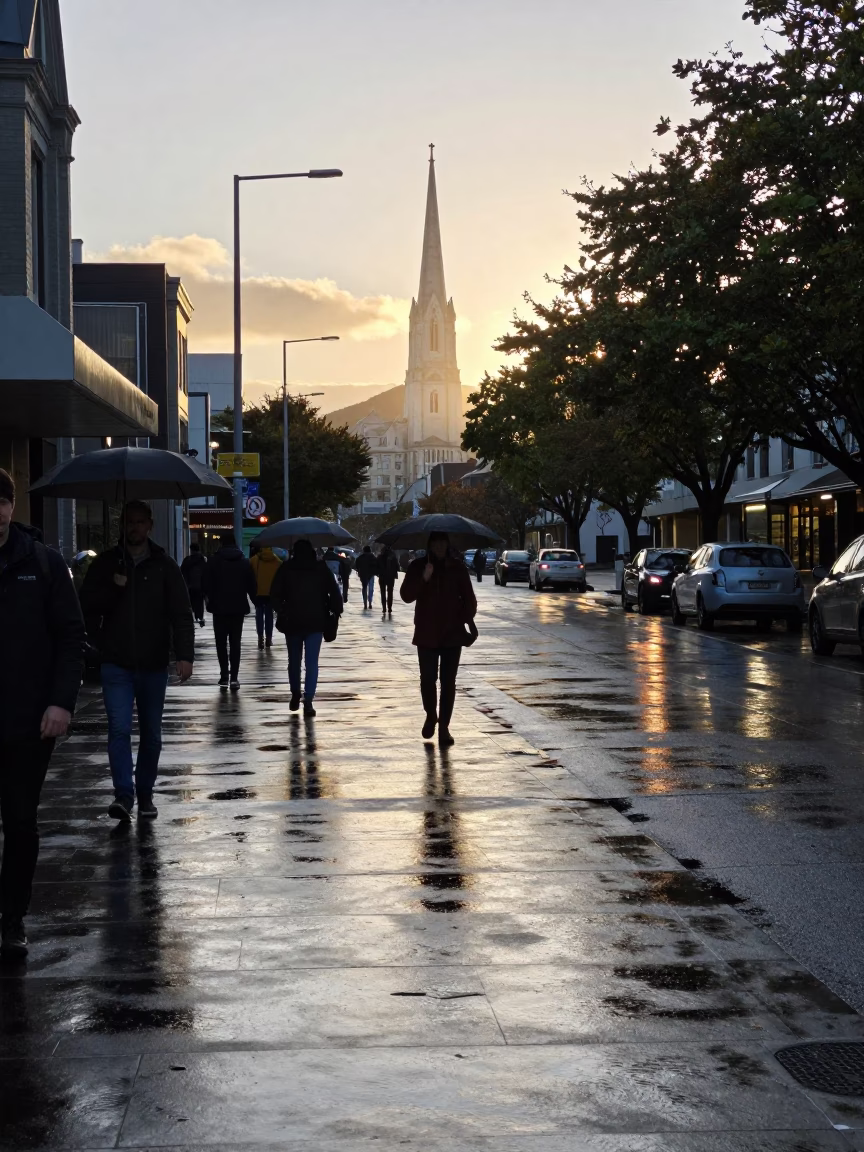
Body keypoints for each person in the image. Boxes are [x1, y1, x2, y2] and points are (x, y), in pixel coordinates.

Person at [0, 469, 85, 957]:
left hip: (30, 720)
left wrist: (61, 702)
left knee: (20, 822)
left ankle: (13, 919)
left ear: (12, 507)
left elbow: (70, 638)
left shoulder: (44, 564)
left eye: (1, 502)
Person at [80, 500, 194, 822]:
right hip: (116, 663)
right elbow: (86, 606)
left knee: (151, 733)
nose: (135, 527)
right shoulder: (106, 564)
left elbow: (181, 613)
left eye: (140, 522)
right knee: (118, 729)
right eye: (129, 522)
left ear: (150, 525)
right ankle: (123, 795)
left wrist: (184, 655)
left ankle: (145, 794)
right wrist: (114, 591)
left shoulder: (163, 565)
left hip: (154, 664)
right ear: (123, 526)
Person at [400, 532, 477, 747]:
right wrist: (424, 578)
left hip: (452, 634)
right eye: (436, 543)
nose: (440, 547)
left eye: (443, 543)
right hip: (426, 632)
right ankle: (430, 715)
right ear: (430, 545)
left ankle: (444, 727)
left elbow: (470, 599)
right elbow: (406, 595)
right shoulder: (418, 566)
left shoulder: (458, 568)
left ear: (448, 544)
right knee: (427, 680)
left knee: (448, 682)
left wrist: (464, 616)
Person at [270, 539, 343, 717]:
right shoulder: (321, 568)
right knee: (312, 663)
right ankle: (308, 700)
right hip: (316, 621)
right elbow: (334, 592)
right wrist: (336, 610)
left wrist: (282, 609)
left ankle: (295, 692)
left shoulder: (286, 568)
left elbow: (274, 594)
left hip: (292, 621)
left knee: (294, 661)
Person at [202, 535, 257, 687]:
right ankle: (234, 677)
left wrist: (209, 599)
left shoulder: (213, 561)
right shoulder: (244, 562)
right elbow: (251, 585)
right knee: (235, 642)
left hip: (218, 608)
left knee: (221, 643)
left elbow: (205, 584)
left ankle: (224, 675)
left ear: (221, 544)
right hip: (238, 608)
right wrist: (255, 601)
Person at [249, 544, 282, 648]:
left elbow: (250, 575)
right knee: (269, 615)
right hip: (271, 593)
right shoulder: (277, 560)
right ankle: (269, 638)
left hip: (258, 592)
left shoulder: (254, 560)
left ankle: (260, 638)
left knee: (259, 615)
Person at [180, 543, 207, 627]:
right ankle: (199, 617)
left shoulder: (187, 560)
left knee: (190, 602)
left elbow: (182, 572)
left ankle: (191, 618)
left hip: (190, 586)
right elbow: (206, 573)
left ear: (191, 550)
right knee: (199, 602)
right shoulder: (203, 560)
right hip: (200, 586)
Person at [376, 544, 399, 617]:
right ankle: (389, 608)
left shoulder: (380, 556)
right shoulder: (393, 556)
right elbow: (398, 567)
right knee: (390, 593)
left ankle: (384, 608)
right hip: (391, 577)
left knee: (383, 592)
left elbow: (376, 566)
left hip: (382, 576)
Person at [354, 545, 378, 610]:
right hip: (371, 574)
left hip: (363, 575)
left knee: (364, 588)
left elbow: (356, 565)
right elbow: (377, 565)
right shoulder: (373, 557)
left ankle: (365, 603)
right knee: (371, 588)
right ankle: (370, 602)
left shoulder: (360, 558)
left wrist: (359, 571)